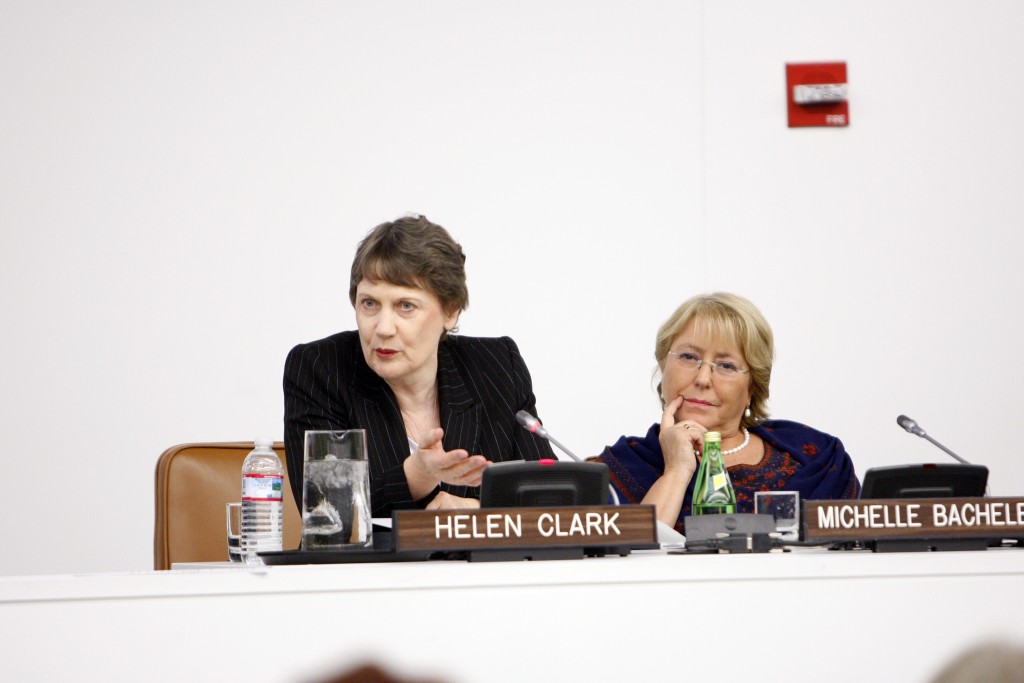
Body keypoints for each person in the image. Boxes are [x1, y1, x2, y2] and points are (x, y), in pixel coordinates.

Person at [283, 214, 553, 517]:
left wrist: (478, 511)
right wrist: (417, 475)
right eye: (369, 303)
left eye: (405, 306)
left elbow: (550, 497)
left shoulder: (498, 366)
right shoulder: (321, 369)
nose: (383, 328)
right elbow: (326, 512)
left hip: (479, 566)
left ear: (449, 312)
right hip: (364, 567)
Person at [595, 292, 859, 531]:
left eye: (726, 366)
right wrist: (676, 471)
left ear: (752, 388)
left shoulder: (817, 457)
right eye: (688, 357)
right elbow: (629, 564)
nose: (703, 378)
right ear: (663, 366)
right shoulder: (619, 468)